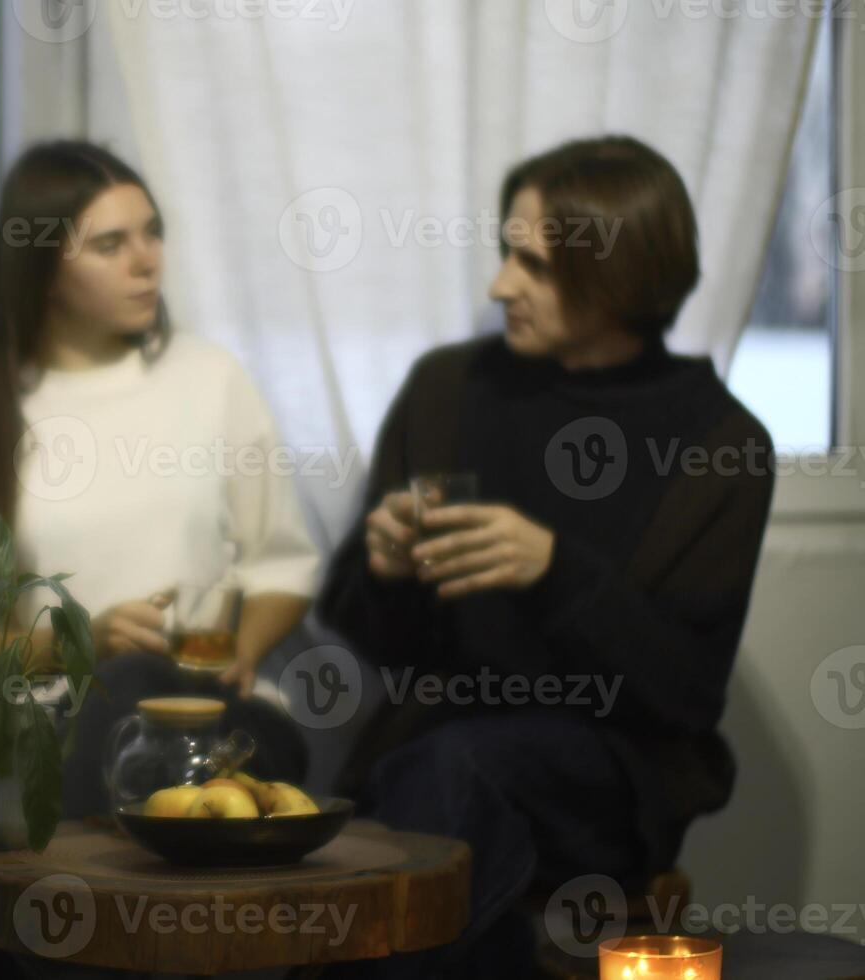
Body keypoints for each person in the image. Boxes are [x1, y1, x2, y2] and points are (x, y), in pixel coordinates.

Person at [318, 135, 774, 977]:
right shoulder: (449, 390)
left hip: (609, 774)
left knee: (447, 779)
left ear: (621, 275)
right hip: (432, 750)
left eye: (532, 265)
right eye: (505, 254)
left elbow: (683, 695)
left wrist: (554, 573)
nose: (500, 286)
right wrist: (381, 569)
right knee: (438, 797)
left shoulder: (722, 445)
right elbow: (383, 643)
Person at [0, 141, 320, 819]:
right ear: (44, 269)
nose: (147, 262)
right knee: (125, 685)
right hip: (45, 738)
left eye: (152, 234)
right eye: (111, 244)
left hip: (221, 727)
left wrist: (239, 651)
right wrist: (81, 645)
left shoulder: (210, 380)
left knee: (172, 705)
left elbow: (281, 566)